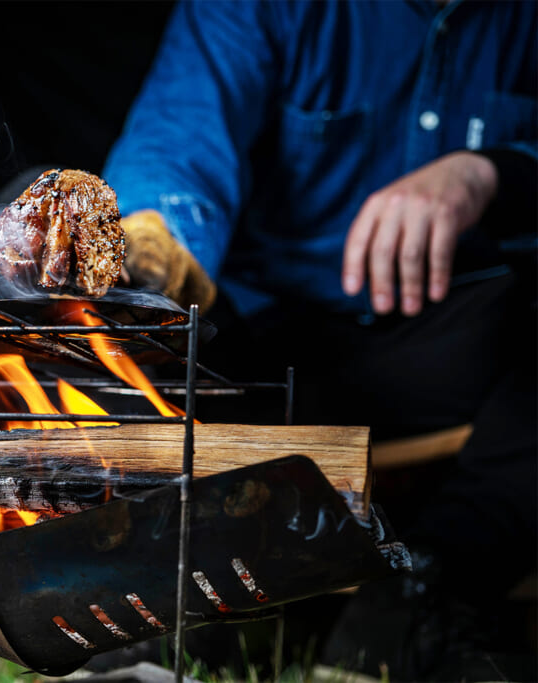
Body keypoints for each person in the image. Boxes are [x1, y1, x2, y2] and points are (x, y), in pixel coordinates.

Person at [101, 1, 536, 680]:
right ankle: (196, 612)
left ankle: (421, 595)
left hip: (460, 348)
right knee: (135, 343)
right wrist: (157, 250)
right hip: (265, 348)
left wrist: (489, 172)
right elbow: (178, 139)